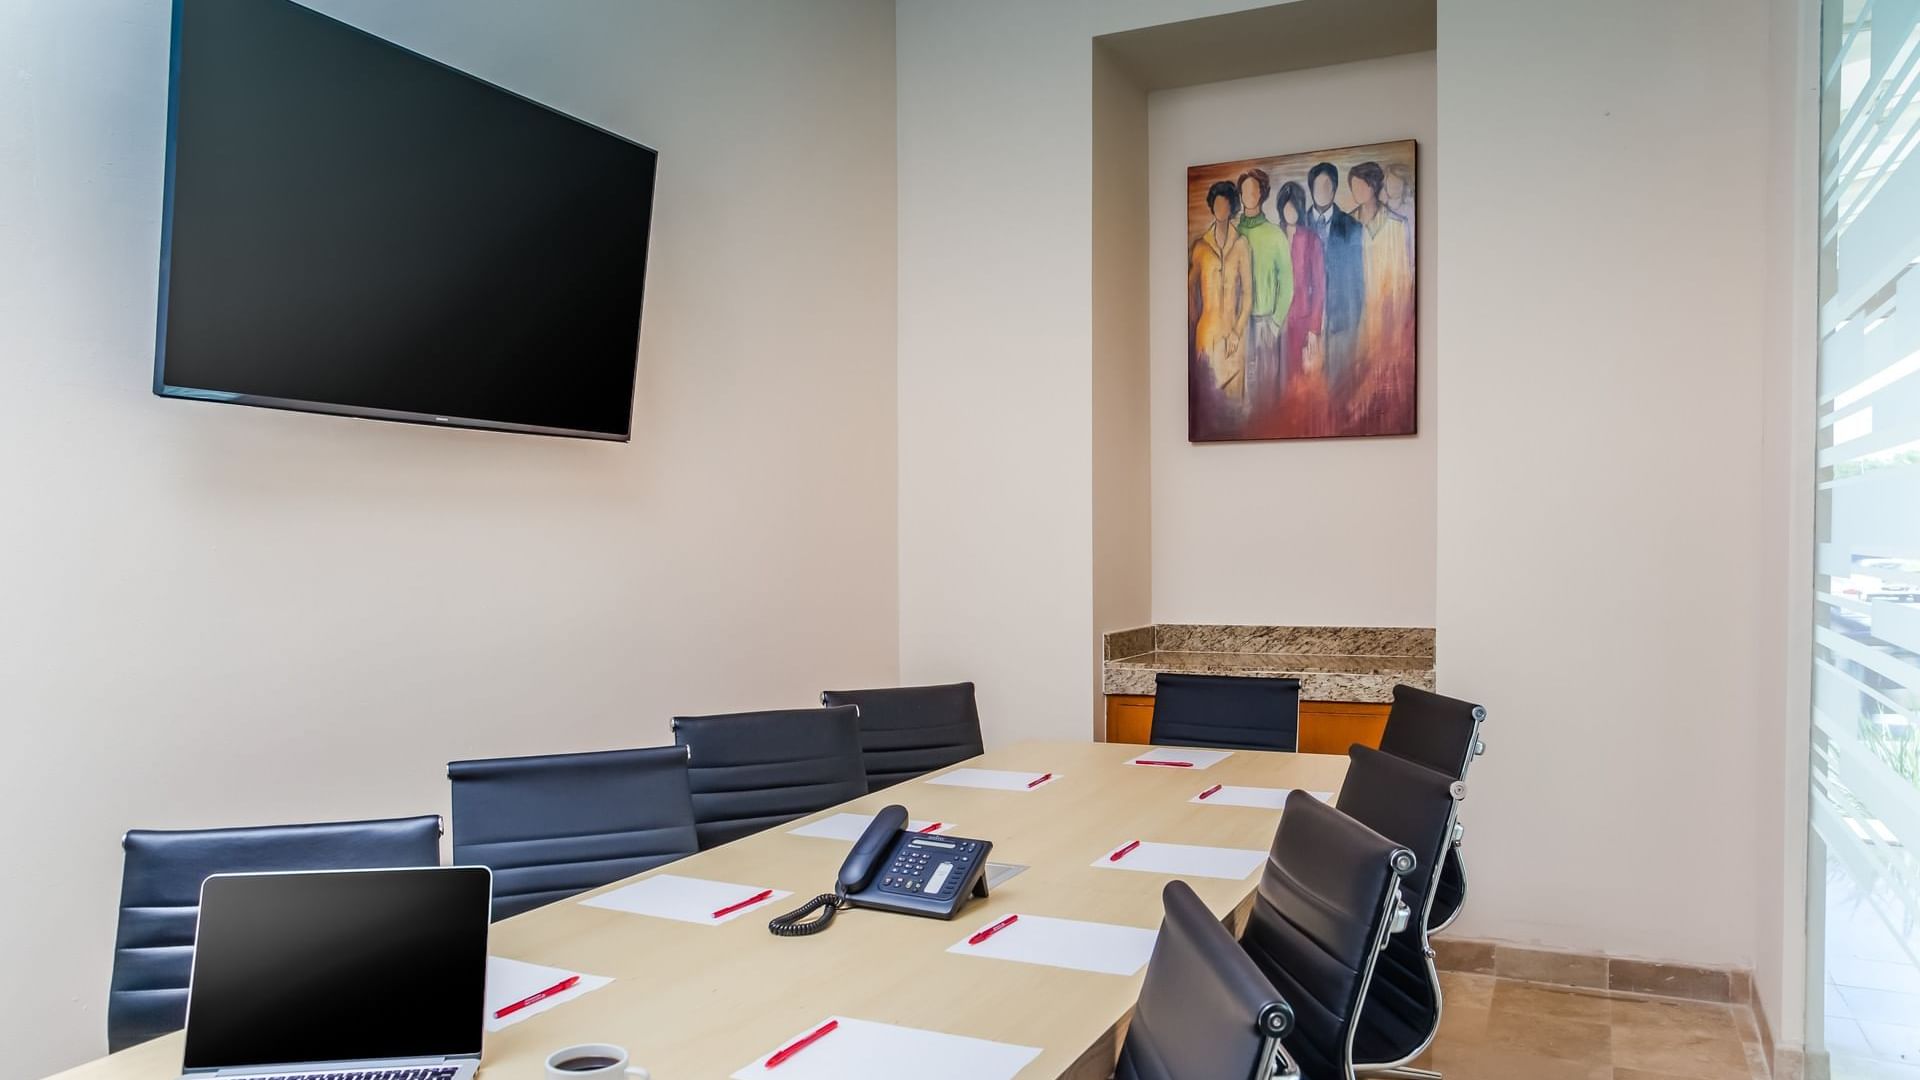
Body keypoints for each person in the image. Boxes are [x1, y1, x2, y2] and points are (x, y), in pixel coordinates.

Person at [1189, 180, 1252, 408]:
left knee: (1233, 406)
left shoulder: (1242, 245)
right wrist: (1194, 321)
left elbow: (1248, 295)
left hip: (1233, 336)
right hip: (1206, 334)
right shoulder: (1200, 248)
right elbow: (1189, 289)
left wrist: (1237, 330)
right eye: (1217, 205)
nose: (1221, 210)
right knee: (1207, 402)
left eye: (1225, 205)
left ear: (1232, 207)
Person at [1350, 161, 1414, 381]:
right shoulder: (1347, 224)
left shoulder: (1397, 225)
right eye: (1354, 187)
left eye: (1362, 186)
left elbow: (1403, 284)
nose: (1357, 192)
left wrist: (1399, 328)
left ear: (1374, 186)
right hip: (1353, 316)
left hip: (1386, 314)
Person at [1235, 168, 1290, 410]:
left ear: (1262, 194)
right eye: (1244, 190)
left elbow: (1288, 283)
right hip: (1236, 325)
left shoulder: (1275, 234)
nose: (1249, 194)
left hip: (1265, 322)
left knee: (1266, 392)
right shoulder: (1233, 233)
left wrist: (1276, 322)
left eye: (1254, 189)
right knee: (1239, 392)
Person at [1306, 162, 1363, 389]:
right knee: (1307, 388)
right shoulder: (1297, 224)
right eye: (1317, 186)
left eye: (1327, 185)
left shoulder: (1352, 226)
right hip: (1306, 318)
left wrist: (1352, 317)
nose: (1322, 191)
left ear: (1335, 188)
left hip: (1340, 318)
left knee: (1340, 384)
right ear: (1310, 189)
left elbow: (1358, 280)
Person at [1276, 181, 1323, 391]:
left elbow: (1320, 287)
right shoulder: (1274, 236)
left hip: (1302, 320)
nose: (1290, 211)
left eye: (1295, 206)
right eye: (1287, 206)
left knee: (1300, 379)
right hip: (1274, 320)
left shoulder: (1311, 239)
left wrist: (1314, 328)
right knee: (1274, 380)